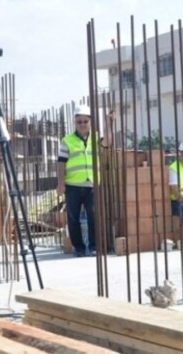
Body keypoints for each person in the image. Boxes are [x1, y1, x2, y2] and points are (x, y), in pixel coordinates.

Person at [57, 105, 113, 257]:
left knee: (93, 215)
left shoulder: (96, 137)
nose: (82, 124)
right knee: (73, 218)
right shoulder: (67, 140)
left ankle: (94, 246)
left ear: (90, 122)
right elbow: (61, 162)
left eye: (85, 121)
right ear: (75, 122)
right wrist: (60, 183)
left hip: (91, 184)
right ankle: (79, 248)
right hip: (73, 185)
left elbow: (108, 143)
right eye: (79, 121)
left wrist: (108, 124)